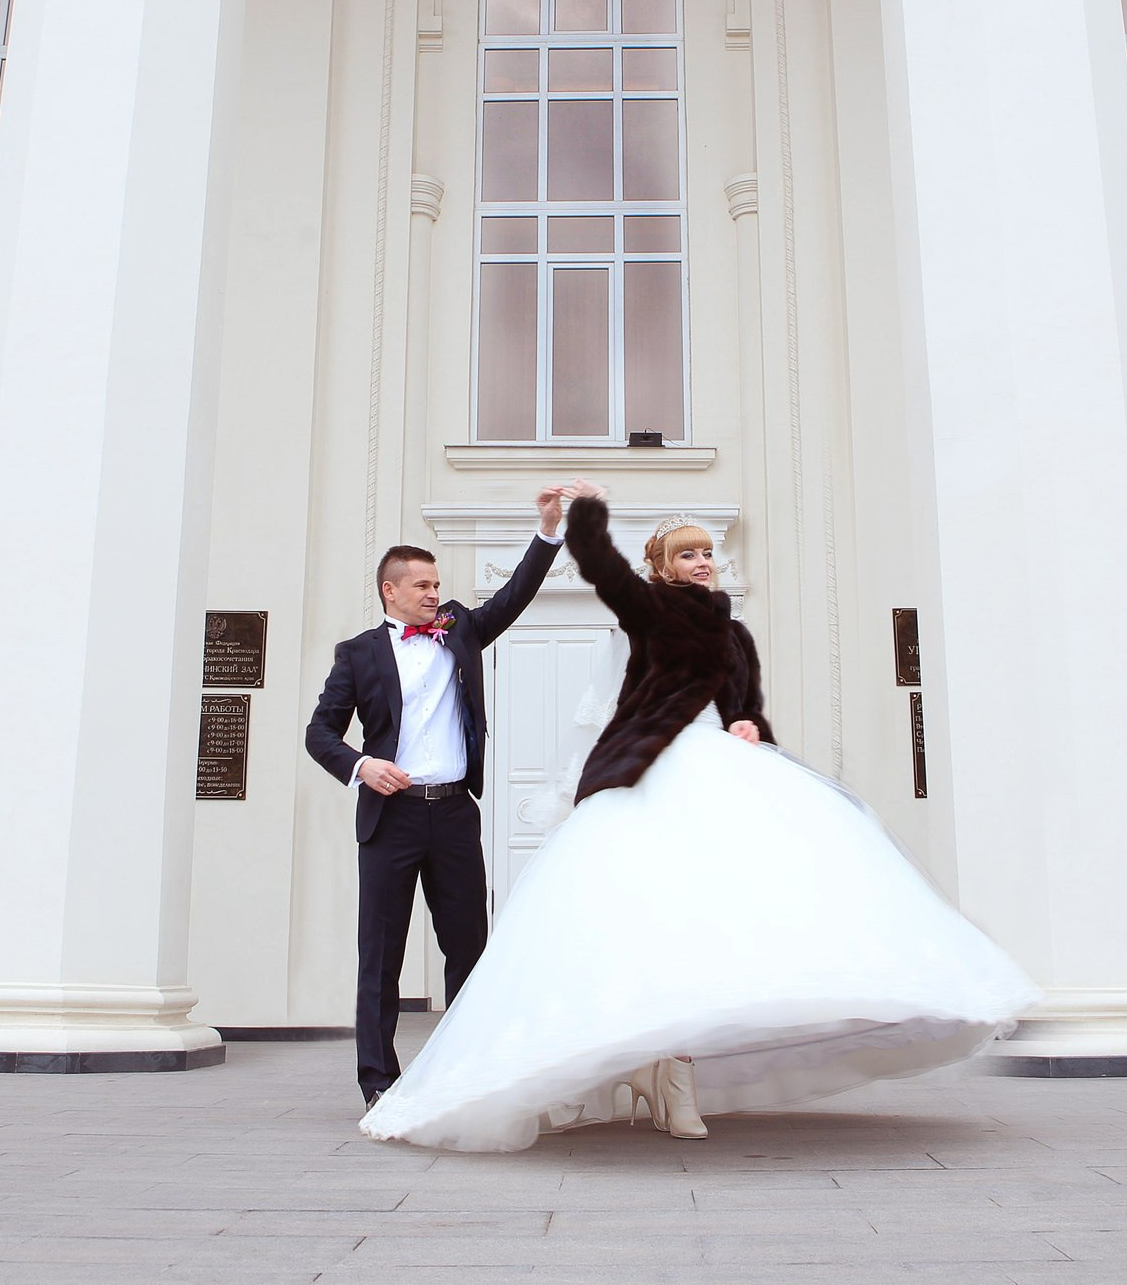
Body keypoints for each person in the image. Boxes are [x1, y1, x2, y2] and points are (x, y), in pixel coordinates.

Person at [359, 483, 1041, 1152]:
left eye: (707, 553)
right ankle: (627, 1066)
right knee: (644, 917)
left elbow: (743, 701)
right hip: (653, 769)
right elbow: (608, 708)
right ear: (662, 567)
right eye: (688, 555)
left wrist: (748, 726)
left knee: (724, 912)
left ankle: (674, 1072)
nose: (704, 562)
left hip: (719, 769)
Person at [305, 487, 568, 1107]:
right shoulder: (358, 654)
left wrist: (548, 530)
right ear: (389, 591)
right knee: (382, 955)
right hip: (389, 818)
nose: (431, 592)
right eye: (419, 584)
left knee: (468, 949)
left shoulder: (461, 631)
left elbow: (515, 594)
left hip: (453, 813)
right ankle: (379, 1085)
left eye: (436, 583)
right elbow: (321, 733)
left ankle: (465, 1070)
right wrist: (362, 765)